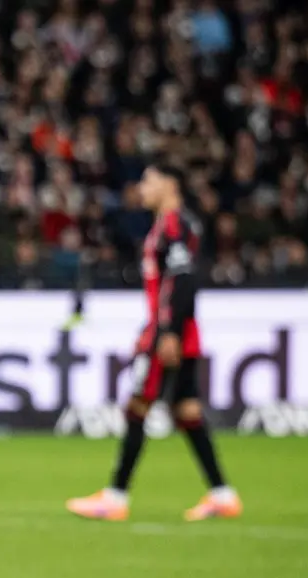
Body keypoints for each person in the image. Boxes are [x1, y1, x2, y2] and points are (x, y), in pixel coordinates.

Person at [67, 163, 241, 522]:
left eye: (148, 181)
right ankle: (222, 494)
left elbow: (183, 281)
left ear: (170, 184)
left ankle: (115, 497)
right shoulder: (171, 226)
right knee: (187, 410)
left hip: (168, 334)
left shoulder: (174, 225)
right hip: (179, 332)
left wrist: (167, 332)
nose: (141, 188)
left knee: (136, 406)